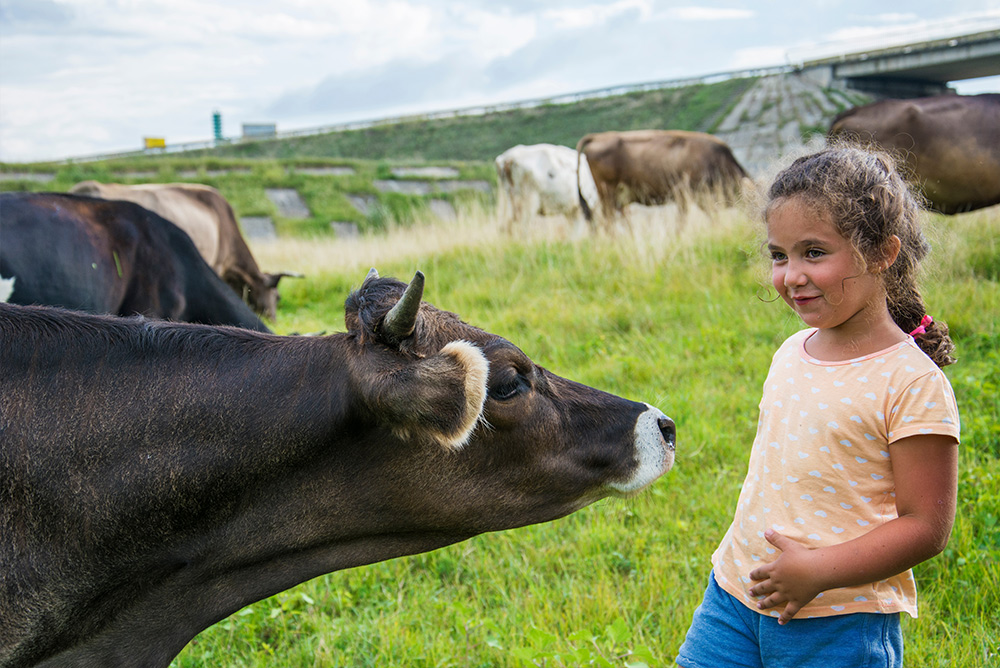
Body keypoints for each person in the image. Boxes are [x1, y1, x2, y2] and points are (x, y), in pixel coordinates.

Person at [675, 146, 961, 668]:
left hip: (839, 620)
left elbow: (927, 526)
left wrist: (818, 570)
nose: (791, 275)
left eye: (813, 253)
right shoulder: (790, 352)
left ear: (882, 253)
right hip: (735, 597)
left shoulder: (911, 381)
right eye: (779, 256)